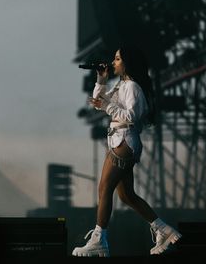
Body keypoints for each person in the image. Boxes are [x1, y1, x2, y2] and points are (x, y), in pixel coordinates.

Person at [72, 45, 182, 257]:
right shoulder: (122, 85)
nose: (113, 63)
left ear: (127, 62)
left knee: (104, 188)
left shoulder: (132, 86)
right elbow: (99, 103)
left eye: (117, 59)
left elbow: (131, 115)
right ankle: (163, 230)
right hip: (119, 140)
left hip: (124, 140)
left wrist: (106, 107)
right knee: (127, 196)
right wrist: (101, 80)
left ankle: (99, 239)